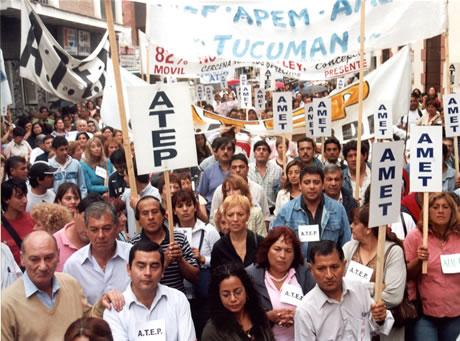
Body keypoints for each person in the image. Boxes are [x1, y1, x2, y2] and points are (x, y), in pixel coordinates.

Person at [1, 230, 123, 341]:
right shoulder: (7, 303)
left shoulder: (70, 284)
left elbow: (87, 323)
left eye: (49, 258)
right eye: (35, 259)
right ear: (22, 259)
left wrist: (101, 305)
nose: (43, 266)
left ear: (58, 255)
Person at [294, 240, 394, 340]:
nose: (329, 275)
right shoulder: (305, 311)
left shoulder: (359, 289)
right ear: (311, 270)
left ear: (344, 264)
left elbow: (376, 326)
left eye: (334, 267)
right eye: (321, 269)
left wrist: (379, 318)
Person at [103, 241, 196, 341]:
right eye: (141, 266)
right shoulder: (115, 308)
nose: (147, 273)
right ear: (129, 269)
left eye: (154, 266)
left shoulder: (178, 299)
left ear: (163, 271)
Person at [343, 205, 407, 341]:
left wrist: (354, 298)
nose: (350, 226)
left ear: (368, 229)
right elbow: (340, 286)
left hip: (384, 332)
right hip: (353, 328)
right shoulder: (348, 248)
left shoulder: (393, 252)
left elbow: (394, 296)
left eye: (355, 223)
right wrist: (373, 287)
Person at [404, 192, 460, 341]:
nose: (440, 211)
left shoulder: (459, 236)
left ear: (452, 211)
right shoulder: (416, 237)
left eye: (445, 207)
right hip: (425, 315)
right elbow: (405, 274)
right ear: (427, 211)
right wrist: (419, 260)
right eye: (435, 207)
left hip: (456, 313)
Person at [246, 227, 316, 341]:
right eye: (277, 249)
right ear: (267, 250)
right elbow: (243, 314)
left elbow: (316, 307)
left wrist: (299, 315)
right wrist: (267, 317)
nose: (282, 256)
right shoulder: (251, 275)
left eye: (288, 251)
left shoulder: (304, 272)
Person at [273, 166, 351, 258]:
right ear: (300, 186)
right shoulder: (287, 210)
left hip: (328, 267)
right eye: (307, 182)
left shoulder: (338, 209)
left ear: (323, 185)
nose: (312, 186)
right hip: (298, 268)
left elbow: (346, 245)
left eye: (316, 182)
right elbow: (275, 242)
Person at [172, 189, 220, 337]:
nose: (185, 209)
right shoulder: (171, 234)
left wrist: (203, 259)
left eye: (188, 204)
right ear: (174, 210)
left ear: (195, 207)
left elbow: (221, 260)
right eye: (180, 206)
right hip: (181, 294)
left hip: (204, 295)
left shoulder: (208, 231)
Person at [63, 202, 132, 304]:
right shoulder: (73, 265)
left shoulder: (132, 255)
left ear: (117, 228)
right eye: (94, 230)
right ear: (86, 231)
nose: (101, 235)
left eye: (107, 228)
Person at [130, 196, 199, 292]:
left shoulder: (178, 239)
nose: (151, 217)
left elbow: (195, 277)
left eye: (155, 212)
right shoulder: (133, 245)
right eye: (145, 213)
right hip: (147, 302)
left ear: (163, 215)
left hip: (176, 302)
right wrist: (163, 263)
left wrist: (180, 260)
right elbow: (132, 281)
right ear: (139, 220)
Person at [201, 263, 275, 341]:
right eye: (226, 295)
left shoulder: (259, 315)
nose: (233, 299)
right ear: (218, 297)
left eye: (238, 292)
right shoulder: (212, 331)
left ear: (247, 290)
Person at [210, 153, 269, 223]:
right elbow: (213, 219)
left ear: (247, 169)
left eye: (241, 167)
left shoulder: (258, 190)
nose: (238, 170)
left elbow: (265, 218)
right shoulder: (220, 190)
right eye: (234, 167)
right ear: (229, 170)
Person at [211, 195, 264, 270]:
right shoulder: (219, 247)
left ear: (248, 215)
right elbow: (215, 278)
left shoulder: (260, 243)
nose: (235, 219)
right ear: (225, 217)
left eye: (240, 214)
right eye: (230, 215)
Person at [53, 194, 101, 271]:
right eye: (85, 219)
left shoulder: (106, 243)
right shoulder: (54, 242)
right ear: (75, 214)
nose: (89, 227)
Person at [121, 161, 161, 237]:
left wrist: (137, 206)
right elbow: (120, 214)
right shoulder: (127, 194)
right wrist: (123, 233)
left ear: (133, 177)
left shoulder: (156, 195)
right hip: (133, 242)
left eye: (126, 175)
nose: (124, 178)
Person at [1, 179, 35, 264]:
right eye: (19, 197)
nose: (25, 200)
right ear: (6, 199)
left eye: (25, 195)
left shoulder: (35, 219)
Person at [198, 136, 235, 211]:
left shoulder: (237, 170)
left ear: (233, 152)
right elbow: (200, 195)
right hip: (213, 212)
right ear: (216, 152)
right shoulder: (208, 171)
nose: (225, 151)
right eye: (222, 149)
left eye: (229, 149)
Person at [249, 140, 282, 213]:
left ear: (269, 154)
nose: (261, 152)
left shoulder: (277, 170)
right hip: (253, 211)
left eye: (264, 149)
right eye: (258, 149)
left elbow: (279, 191)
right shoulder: (248, 169)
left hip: (272, 211)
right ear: (254, 154)